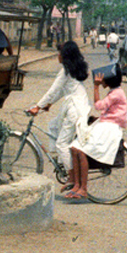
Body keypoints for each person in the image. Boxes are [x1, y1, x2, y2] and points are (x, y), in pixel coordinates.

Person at [27, 40, 90, 174]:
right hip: (78, 105)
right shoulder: (72, 70)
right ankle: (62, 160)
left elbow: (53, 90)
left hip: (75, 109)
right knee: (53, 125)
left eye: (60, 53)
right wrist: (49, 104)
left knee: (61, 145)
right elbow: (61, 91)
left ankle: (71, 177)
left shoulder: (65, 72)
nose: (58, 56)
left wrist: (38, 107)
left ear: (65, 56)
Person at [67, 68, 127, 200]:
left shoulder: (116, 94)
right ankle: (76, 184)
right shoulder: (115, 91)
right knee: (74, 147)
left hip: (109, 128)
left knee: (81, 150)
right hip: (104, 124)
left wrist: (96, 87)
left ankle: (83, 188)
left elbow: (99, 105)